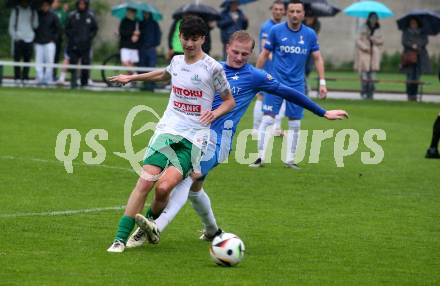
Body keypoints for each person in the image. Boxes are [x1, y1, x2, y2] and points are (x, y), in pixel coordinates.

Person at [126, 31, 348, 247]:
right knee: (196, 189)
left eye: (244, 54)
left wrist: (322, 112)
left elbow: (287, 91)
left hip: (218, 141)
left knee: (188, 179)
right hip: (191, 135)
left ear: (251, 54)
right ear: (227, 49)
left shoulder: (255, 76)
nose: (239, 57)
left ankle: (155, 226)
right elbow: (172, 76)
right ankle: (213, 230)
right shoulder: (211, 67)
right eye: (235, 52)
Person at [106, 16, 235, 253]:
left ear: (203, 39)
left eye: (194, 39)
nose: (189, 44)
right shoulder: (176, 61)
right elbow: (163, 74)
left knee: (164, 189)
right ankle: (119, 239)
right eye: (185, 38)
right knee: (145, 180)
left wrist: (214, 113)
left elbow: (229, 101)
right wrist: (131, 77)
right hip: (167, 130)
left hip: (194, 138)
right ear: (180, 37)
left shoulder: (212, 68)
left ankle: (144, 226)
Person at [252, 0, 327, 169]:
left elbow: (317, 58)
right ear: (287, 13)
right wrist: (255, 78)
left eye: (297, 11)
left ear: (303, 14)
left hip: (297, 85)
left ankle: (290, 160)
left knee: (295, 122)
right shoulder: (275, 31)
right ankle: (260, 157)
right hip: (276, 84)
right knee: (267, 119)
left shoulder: (310, 34)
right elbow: (264, 54)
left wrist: (322, 82)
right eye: (291, 11)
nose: (294, 14)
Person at [252, 0, 285, 137]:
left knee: (280, 96)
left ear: (284, 12)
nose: (278, 11)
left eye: (280, 9)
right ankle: (255, 128)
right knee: (261, 96)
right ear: (272, 10)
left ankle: (275, 127)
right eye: (275, 9)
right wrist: (280, 62)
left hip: (278, 71)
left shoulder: (283, 27)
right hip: (268, 69)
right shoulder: (268, 27)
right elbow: (266, 49)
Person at [65, 0, 98, 88]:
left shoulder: (90, 16)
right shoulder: (72, 15)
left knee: (86, 64)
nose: (82, 5)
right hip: (74, 45)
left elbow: (94, 29)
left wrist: (89, 38)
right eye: (80, 4)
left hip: (86, 45)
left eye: (83, 4)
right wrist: (72, 37)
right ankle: (73, 83)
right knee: (73, 64)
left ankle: (84, 83)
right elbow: (67, 29)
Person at [400, 17, 432, 101]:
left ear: (417, 23)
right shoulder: (406, 32)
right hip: (409, 58)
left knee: (417, 77)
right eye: (411, 23)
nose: (413, 24)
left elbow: (425, 41)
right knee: (409, 77)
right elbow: (404, 41)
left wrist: (418, 45)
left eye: (414, 23)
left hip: (420, 57)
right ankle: (409, 94)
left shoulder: (422, 32)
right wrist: (412, 45)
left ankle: (414, 95)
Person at [8, 0, 39, 85]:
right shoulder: (16, 11)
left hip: (29, 38)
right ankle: (17, 77)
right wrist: (15, 37)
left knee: (27, 60)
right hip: (19, 38)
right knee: (17, 59)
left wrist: (33, 17)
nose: (25, 2)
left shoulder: (33, 11)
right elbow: (11, 26)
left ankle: (25, 77)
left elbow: (35, 25)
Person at [355, 12, 383, 100]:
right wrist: (365, 47)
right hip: (365, 54)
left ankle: (371, 94)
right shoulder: (363, 27)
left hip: (374, 55)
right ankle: (363, 92)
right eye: (372, 18)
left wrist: (373, 39)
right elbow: (358, 40)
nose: (373, 20)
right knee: (364, 75)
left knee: (373, 76)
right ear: (369, 18)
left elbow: (381, 41)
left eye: (375, 18)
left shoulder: (378, 29)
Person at [34, 0, 60, 85]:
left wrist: (53, 39)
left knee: (50, 62)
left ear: (49, 6)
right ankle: (40, 79)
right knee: (38, 62)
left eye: (46, 5)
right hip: (39, 42)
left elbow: (58, 29)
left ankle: (48, 79)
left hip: (49, 42)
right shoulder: (37, 15)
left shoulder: (53, 16)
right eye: (43, 5)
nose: (44, 7)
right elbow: (34, 27)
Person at [138, 11, 161, 91]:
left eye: (146, 13)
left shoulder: (154, 23)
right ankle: (144, 85)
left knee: (151, 67)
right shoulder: (140, 23)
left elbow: (158, 35)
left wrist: (154, 44)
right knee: (142, 67)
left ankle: (152, 85)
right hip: (142, 48)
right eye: (144, 13)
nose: (145, 14)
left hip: (151, 48)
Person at [51, 0, 69, 82]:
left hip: (57, 39)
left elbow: (64, 23)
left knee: (55, 58)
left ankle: (53, 74)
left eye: (57, 2)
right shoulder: (48, 12)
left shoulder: (61, 13)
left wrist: (65, 11)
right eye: (55, 2)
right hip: (48, 39)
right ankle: (46, 75)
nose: (56, 4)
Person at [119, 8, 140, 73]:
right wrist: (132, 33)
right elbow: (122, 32)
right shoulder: (124, 21)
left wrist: (137, 35)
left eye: (133, 12)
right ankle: (135, 75)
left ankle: (132, 80)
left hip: (134, 46)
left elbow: (140, 32)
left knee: (132, 63)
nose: (131, 13)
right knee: (125, 62)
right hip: (125, 45)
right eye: (130, 12)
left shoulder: (137, 21)